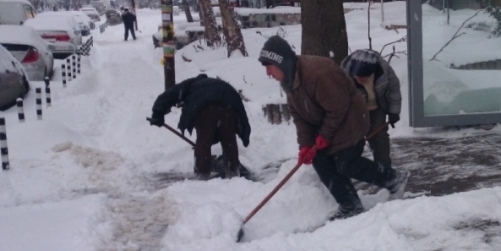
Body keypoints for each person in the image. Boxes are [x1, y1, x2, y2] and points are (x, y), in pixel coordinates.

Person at [257, 36, 410, 220]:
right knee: (320, 161)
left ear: (280, 62)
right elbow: (300, 117)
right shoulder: (289, 82)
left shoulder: (318, 73)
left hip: (350, 118)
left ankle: (394, 178)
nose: (267, 73)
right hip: (328, 122)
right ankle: (350, 204)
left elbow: (338, 109)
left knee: (346, 162)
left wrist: (324, 136)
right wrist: (305, 145)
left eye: (269, 67)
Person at [149, 74, 251, 180]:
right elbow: (239, 106)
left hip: (205, 108)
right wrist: (244, 130)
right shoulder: (221, 84)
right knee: (229, 140)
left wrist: (157, 114)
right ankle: (233, 173)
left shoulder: (191, 84)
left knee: (203, 141)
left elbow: (169, 95)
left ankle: (202, 176)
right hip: (229, 106)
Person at [342, 49, 402, 168]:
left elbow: (393, 90)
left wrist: (393, 112)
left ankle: (384, 168)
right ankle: (352, 167)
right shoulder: (344, 75)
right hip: (355, 112)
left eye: (363, 77)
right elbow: (339, 100)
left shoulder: (384, 71)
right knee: (354, 140)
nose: (359, 80)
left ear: (372, 72)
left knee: (379, 137)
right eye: (357, 76)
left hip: (376, 108)